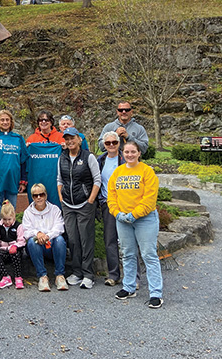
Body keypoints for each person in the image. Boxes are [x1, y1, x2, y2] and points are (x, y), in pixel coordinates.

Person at [108, 141, 163, 308]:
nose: (129, 155)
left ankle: (156, 293)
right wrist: (117, 213)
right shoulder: (118, 172)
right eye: (126, 152)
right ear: (122, 154)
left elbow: (149, 198)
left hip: (145, 219)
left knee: (149, 255)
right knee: (128, 254)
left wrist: (134, 214)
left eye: (133, 152)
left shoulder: (147, 171)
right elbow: (111, 196)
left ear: (139, 153)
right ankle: (129, 287)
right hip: (123, 219)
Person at [57, 126, 101, 289]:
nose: (69, 141)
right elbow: (59, 180)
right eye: (67, 139)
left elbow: (97, 180)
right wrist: (62, 198)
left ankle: (88, 274)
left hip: (84, 204)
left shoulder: (88, 157)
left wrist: (90, 200)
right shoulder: (62, 158)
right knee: (73, 240)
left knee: (86, 239)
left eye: (72, 138)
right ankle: (76, 272)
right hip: (68, 205)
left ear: (79, 139)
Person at [22, 182, 68, 292]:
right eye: (35, 195)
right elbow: (26, 231)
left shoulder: (55, 209)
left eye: (41, 194)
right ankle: (42, 276)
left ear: (46, 195)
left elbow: (60, 227)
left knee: (60, 240)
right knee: (32, 242)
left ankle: (59, 276)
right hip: (37, 246)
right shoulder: (28, 212)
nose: (38, 198)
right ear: (32, 197)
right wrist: (38, 234)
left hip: (52, 244)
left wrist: (47, 236)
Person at [98, 131, 125, 286]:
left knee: (129, 241)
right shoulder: (100, 160)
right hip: (108, 204)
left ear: (118, 143)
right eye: (108, 143)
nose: (111, 146)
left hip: (125, 204)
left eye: (114, 142)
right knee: (110, 240)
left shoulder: (125, 159)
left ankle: (132, 276)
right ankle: (113, 274)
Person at [0, 200, 26, 289]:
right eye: (4, 219)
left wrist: (15, 246)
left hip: (14, 250)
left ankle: (18, 277)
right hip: (3, 250)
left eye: (9, 219)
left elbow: (22, 240)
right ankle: (5, 277)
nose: (7, 222)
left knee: (15, 253)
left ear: (13, 216)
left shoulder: (18, 226)